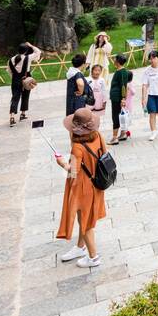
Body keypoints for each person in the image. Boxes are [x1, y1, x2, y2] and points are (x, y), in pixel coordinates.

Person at [55, 107, 106, 268]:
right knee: (85, 218)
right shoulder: (98, 136)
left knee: (85, 222)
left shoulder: (78, 147)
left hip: (83, 188)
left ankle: (93, 257)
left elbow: (73, 172)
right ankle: (80, 247)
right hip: (97, 183)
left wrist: (62, 162)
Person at [7, 41, 40, 126]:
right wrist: (30, 45)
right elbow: (38, 52)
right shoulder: (28, 58)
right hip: (26, 80)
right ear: (26, 51)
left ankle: (12, 117)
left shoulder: (11, 60)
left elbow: (9, 71)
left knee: (15, 98)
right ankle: (23, 114)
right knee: (25, 96)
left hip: (15, 80)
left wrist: (15, 78)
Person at [139, 50, 158, 139]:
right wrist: (143, 98)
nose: (152, 60)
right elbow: (144, 85)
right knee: (152, 114)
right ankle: (153, 132)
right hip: (151, 95)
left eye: (154, 58)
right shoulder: (147, 71)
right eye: (151, 58)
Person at [108, 53, 134, 143]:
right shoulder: (119, 70)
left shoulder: (122, 72)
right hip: (115, 97)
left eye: (115, 59)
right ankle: (122, 134)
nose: (114, 60)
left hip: (117, 98)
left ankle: (114, 137)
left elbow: (123, 86)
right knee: (118, 115)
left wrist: (123, 99)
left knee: (115, 116)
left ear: (118, 61)